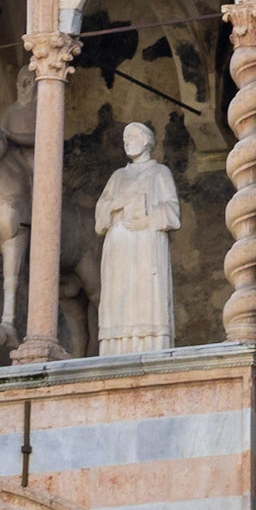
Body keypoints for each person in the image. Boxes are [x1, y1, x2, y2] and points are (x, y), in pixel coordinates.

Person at [94, 123, 181, 354]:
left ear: (146, 141)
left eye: (132, 137)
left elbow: (173, 212)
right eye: (125, 139)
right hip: (119, 245)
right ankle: (115, 348)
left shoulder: (160, 173)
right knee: (119, 296)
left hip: (146, 243)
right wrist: (116, 204)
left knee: (147, 295)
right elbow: (101, 213)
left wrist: (147, 219)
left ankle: (151, 345)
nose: (127, 142)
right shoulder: (118, 176)